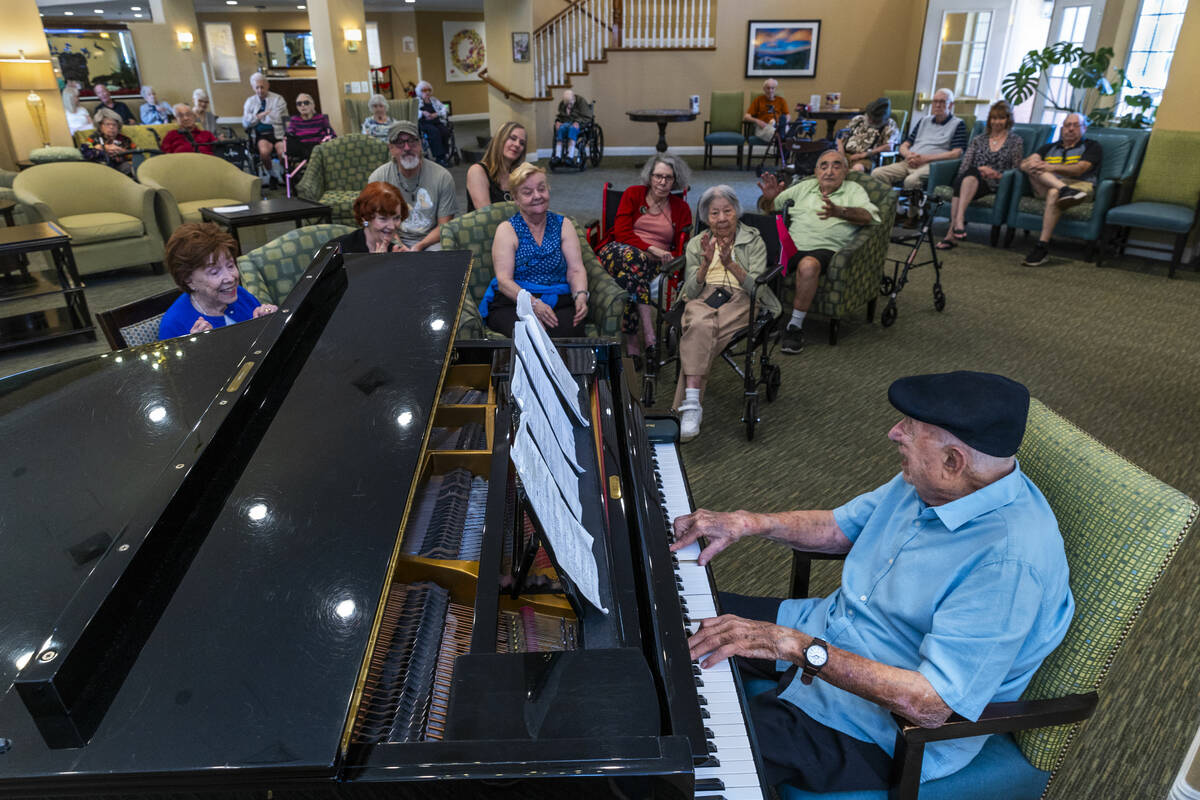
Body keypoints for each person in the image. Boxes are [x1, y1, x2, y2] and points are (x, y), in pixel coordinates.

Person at [671, 370, 1074, 793]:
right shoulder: (935, 482)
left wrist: (792, 646)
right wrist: (747, 523)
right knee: (669, 614)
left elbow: (931, 705)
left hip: (876, 728)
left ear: (953, 461)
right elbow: (839, 528)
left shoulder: (1008, 566)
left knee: (690, 758)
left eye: (911, 429)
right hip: (825, 628)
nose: (893, 432)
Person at [673, 185, 782, 442]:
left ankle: (688, 406)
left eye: (727, 211)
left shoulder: (753, 240)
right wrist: (705, 265)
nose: (721, 218)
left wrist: (729, 264)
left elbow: (757, 287)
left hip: (742, 297)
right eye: (714, 213)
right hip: (703, 297)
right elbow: (688, 291)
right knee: (699, 319)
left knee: (698, 330)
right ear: (706, 218)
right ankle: (691, 405)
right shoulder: (695, 244)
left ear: (736, 212)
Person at [758, 150, 880, 354]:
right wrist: (769, 200)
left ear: (846, 170)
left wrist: (839, 211)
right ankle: (766, 317)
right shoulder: (805, 187)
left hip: (825, 247)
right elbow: (771, 207)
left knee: (808, 265)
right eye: (823, 166)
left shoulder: (854, 190)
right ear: (816, 171)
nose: (829, 171)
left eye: (836, 166)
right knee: (757, 254)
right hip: (791, 245)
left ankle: (794, 327)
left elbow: (868, 217)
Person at [595, 153, 693, 366]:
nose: (662, 182)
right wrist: (653, 249)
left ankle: (632, 340)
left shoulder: (681, 208)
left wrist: (661, 256)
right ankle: (649, 334)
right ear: (649, 176)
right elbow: (621, 232)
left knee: (631, 277)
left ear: (675, 181)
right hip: (616, 253)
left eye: (668, 177)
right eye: (658, 176)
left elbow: (680, 247)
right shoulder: (633, 194)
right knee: (633, 258)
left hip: (650, 266)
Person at [481, 163, 589, 338]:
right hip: (514, 302)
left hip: (558, 299)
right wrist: (533, 305)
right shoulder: (507, 230)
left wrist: (581, 296)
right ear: (515, 198)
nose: (537, 196)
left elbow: (575, 269)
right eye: (527, 192)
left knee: (569, 332)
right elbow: (504, 281)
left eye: (541, 189)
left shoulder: (564, 225)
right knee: (529, 334)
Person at [157, 222, 278, 340]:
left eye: (230, 265)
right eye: (214, 272)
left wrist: (272, 321)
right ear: (189, 280)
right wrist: (195, 350)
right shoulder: (174, 326)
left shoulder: (240, 294)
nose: (230, 278)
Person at [1017, 112, 1103, 267]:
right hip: (1052, 184)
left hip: (1080, 187)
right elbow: (1024, 164)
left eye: (1075, 125)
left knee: (1053, 192)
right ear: (1062, 128)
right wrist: (1034, 161)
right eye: (1067, 125)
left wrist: (1050, 167)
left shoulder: (1092, 146)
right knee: (1030, 166)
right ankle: (1064, 189)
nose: (1070, 129)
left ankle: (1042, 247)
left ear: (1084, 128)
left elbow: (1079, 169)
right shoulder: (1049, 147)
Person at [872, 88, 967, 226]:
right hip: (910, 161)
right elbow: (905, 144)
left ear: (951, 105)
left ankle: (914, 215)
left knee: (912, 180)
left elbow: (957, 153)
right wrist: (908, 154)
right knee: (878, 173)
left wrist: (925, 158)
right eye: (935, 101)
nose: (938, 105)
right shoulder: (924, 120)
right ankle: (896, 211)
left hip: (933, 165)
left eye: (942, 102)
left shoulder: (958, 124)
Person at [938, 100, 1024, 250]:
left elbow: (1016, 170)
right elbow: (965, 165)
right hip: (971, 180)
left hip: (994, 183)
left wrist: (997, 174)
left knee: (966, 178)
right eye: (994, 118)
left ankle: (952, 231)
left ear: (1008, 119)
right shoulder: (979, 139)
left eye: (1001, 118)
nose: (997, 122)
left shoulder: (1015, 141)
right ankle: (957, 223)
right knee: (969, 174)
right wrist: (980, 169)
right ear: (990, 120)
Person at [367, 119, 458, 251]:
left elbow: (444, 226)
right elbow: (377, 223)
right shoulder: (378, 179)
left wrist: (419, 246)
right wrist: (398, 245)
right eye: (399, 143)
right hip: (392, 237)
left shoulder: (442, 177)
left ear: (420, 144)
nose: (407, 148)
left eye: (412, 141)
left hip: (431, 239)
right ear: (390, 148)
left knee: (440, 260)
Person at [330, 182, 410, 254]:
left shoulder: (397, 251)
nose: (392, 226)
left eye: (396, 218)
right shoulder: (338, 248)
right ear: (365, 217)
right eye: (383, 219)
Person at [465, 121, 527, 212]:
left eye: (522, 143)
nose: (517, 144)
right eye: (513, 138)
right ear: (500, 139)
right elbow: (486, 216)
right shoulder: (477, 171)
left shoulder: (518, 174)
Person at [242, 72, 288, 180]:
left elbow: (278, 117)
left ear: (267, 85)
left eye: (262, 87)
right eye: (257, 87)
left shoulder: (278, 99)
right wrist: (263, 114)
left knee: (282, 153)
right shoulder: (250, 101)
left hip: (278, 133)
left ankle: (282, 171)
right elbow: (245, 122)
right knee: (264, 152)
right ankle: (272, 174)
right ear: (253, 87)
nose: (260, 90)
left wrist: (256, 117)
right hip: (261, 135)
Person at [837, 97, 899, 172]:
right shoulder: (858, 119)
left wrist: (864, 154)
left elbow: (889, 146)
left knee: (857, 169)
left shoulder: (889, 124)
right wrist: (841, 154)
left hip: (866, 159)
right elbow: (840, 138)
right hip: (845, 154)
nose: (871, 121)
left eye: (875, 120)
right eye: (870, 117)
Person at [81, 108, 135, 175]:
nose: (111, 127)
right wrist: (100, 148)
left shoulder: (125, 139)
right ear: (100, 126)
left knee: (129, 167)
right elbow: (84, 151)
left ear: (119, 126)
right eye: (108, 124)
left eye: (114, 124)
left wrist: (124, 152)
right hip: (100, 170)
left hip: (120, 170)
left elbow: (137, 155)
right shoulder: (94, 138)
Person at [416, 80, 453, 166]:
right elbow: (414, 111)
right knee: (434, 132)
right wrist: (423, 113)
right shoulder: (417, 101)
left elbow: (444, 108)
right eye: (424, 90)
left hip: (436, 121)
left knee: (445, 131)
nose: (427, 92)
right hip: (424, 123)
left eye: (429, 90)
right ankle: (439, 157)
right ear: (419, 92)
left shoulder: (434, 100)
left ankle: (444, 155)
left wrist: (437, 114)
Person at [744, 78, 790, 144]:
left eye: (772, 88)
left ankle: (780, 137)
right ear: (764, 89)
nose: (770, 91)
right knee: (772, 131)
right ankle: (782, 137)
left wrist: (785, 122)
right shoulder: (758, 100)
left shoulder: (781, 100)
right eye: (768, 88)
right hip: (763, 127)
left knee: (783, 123)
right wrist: (757, 121)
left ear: (775, 89)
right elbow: (746, 116)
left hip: (778, 125)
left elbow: (787, 115)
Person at [552, 89, 592, 162]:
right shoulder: (563, 103)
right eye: (567, 104)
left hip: (579, 124)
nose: (568, 105)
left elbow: (587, 116)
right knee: (560, 129)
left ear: (573, 98)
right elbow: (561, 116)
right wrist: (558, 121)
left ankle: (570, 156)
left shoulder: (581, 101)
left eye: (570, 103)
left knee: (572, 129)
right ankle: (557, 156)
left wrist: (578, 122)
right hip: (566, 124)